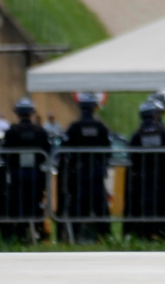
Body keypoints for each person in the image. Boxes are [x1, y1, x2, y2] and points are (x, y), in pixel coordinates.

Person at [58, 92, 111, 243]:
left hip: (79, 173)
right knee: (100, 205)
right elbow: (108, 149)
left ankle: (74, 235)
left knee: (77, 205)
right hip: (97, 172)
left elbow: (64, 150)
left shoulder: (74, 127)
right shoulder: (101, 127)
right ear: (94, 108)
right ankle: (104, 237)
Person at [124, 100, 165, 240]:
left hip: (143, 178)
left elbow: (131, 156)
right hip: (162, 177)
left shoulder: (137, 135)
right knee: (164, 204)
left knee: (146, 205)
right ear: (154, 115)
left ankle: (145, 234)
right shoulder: (163, 133)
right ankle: (164, 233)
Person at [1, 97, 51, 242]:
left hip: (17, 174)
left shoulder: (12, 132)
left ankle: (21, 232)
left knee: (18, 201)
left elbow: (5, 153)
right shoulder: (40, 131)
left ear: (17, 113)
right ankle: (37, 230)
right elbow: (47, 152)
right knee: (35, 201)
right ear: (32, 113)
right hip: (36, 174)